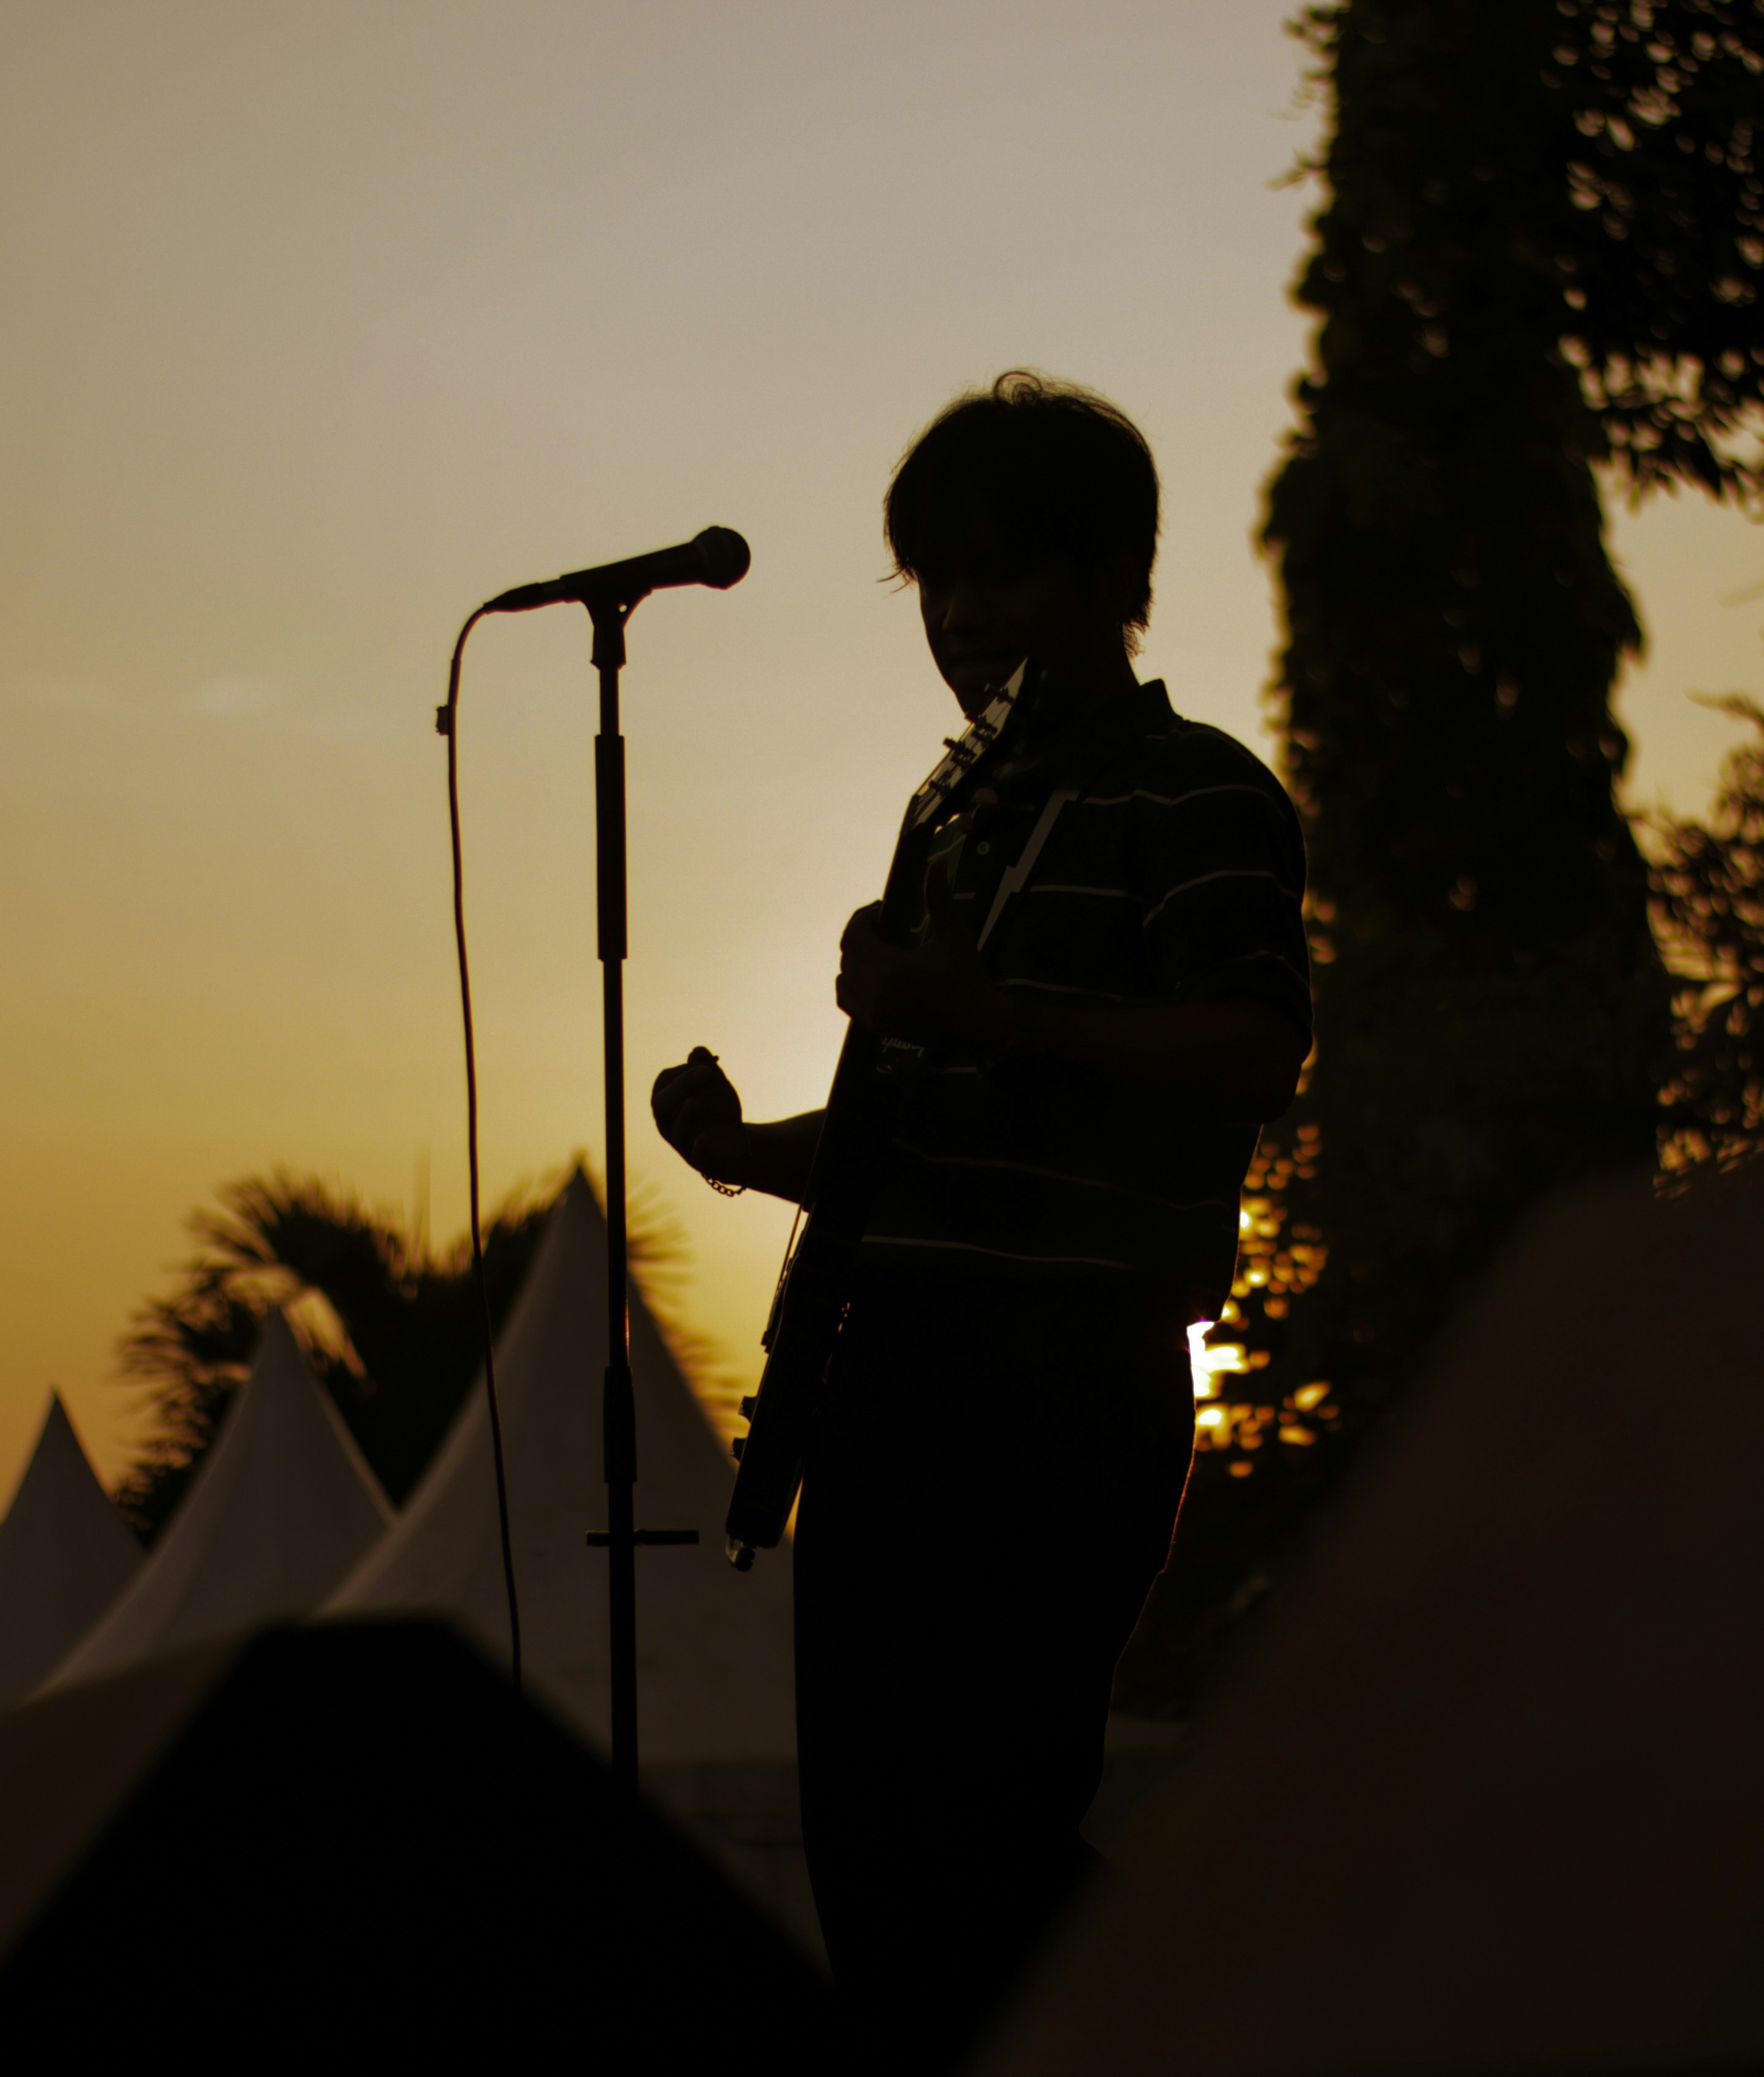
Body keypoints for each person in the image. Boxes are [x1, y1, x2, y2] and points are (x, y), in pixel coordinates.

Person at [649, 372, 1311, 2065]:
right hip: (885, 1385)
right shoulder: (948, 815)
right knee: (876, 1868)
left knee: (990, 1844)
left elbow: (1252, 1045)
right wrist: (744, 1149)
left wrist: (1000, 1017)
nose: (967, 621)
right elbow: (913, 1131)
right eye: (941, 584)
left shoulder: (1206, 796)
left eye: (1007, 575)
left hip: (1062, 1384)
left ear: (1116, 577)